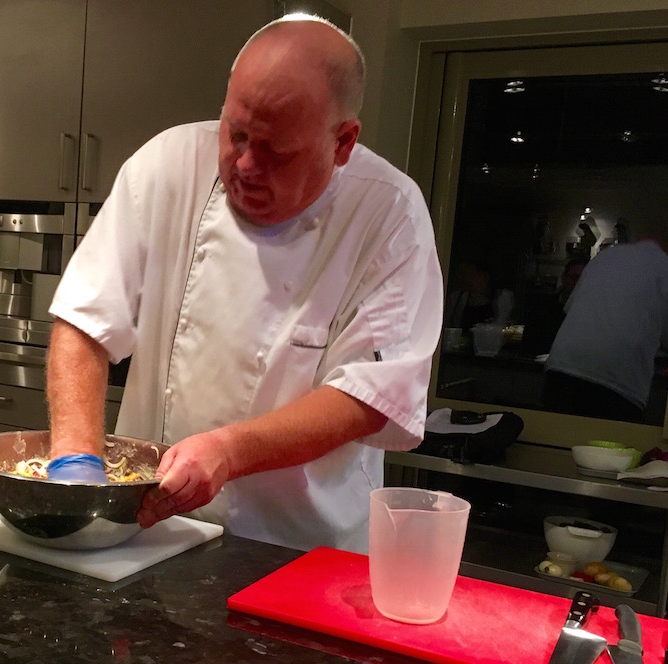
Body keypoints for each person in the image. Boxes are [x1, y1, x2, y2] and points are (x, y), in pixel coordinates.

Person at [43, 14, 444, 552]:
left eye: (278, 151)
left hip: (301, 548)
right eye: (235, 134)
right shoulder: (165, 166)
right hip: (149, 534)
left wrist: (230, 449)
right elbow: (83, 321)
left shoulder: (389, 213)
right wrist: (76, 461)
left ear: (343, 142)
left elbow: (369, 397)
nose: (247, 165)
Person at [543, 235, 668, 422]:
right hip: (618, 381)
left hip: (562, 367)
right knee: (608, 447)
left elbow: (570, 307)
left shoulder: (605, 257)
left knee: (553, 437)